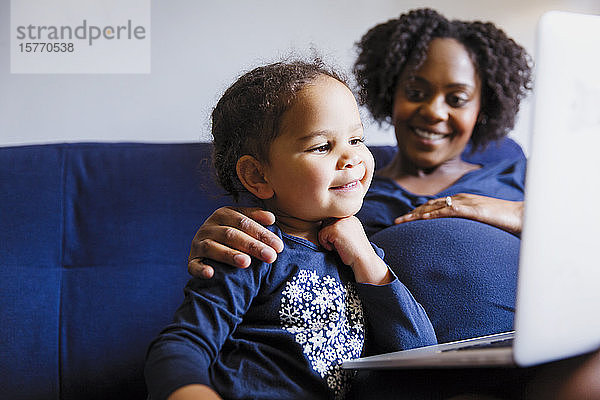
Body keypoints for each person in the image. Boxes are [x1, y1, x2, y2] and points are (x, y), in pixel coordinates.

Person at [186, 8, 531, 344]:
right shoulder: (336, 190)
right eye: (415, 93)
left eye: (456, 98)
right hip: (406, 369)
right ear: (389, 92)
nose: (433, 111)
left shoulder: (522, 175)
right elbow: (276, 244)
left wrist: (522, 214)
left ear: (483, 108)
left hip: (530, 344)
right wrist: (227, 235)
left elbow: (583, 256)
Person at [145, 60, 436, 400]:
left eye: (356, 139)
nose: (351, 158)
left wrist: (367, 257)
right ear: (257, 176)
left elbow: (420, 352)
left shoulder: (358, 257)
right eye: (322, 147)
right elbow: (181, 344)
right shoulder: (251, 249)